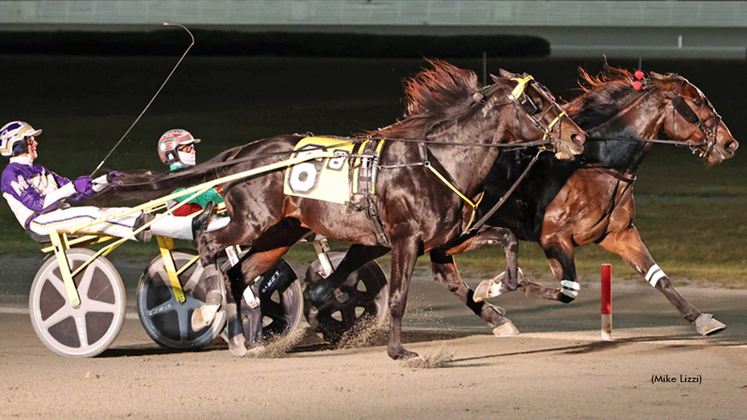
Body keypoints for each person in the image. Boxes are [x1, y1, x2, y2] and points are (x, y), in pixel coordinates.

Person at [1, 121, 210, 242]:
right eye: (30, 140)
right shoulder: (11, 174)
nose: (35, 142)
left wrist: (105, 180)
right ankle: (158, 230)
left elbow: (76, 191)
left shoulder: (39, 170)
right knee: (95, 214)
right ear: (17, 145)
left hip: (57, 215)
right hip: (39, 223)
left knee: (122, 211)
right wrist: (72, 188)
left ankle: (188, 227)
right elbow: (37, 204)